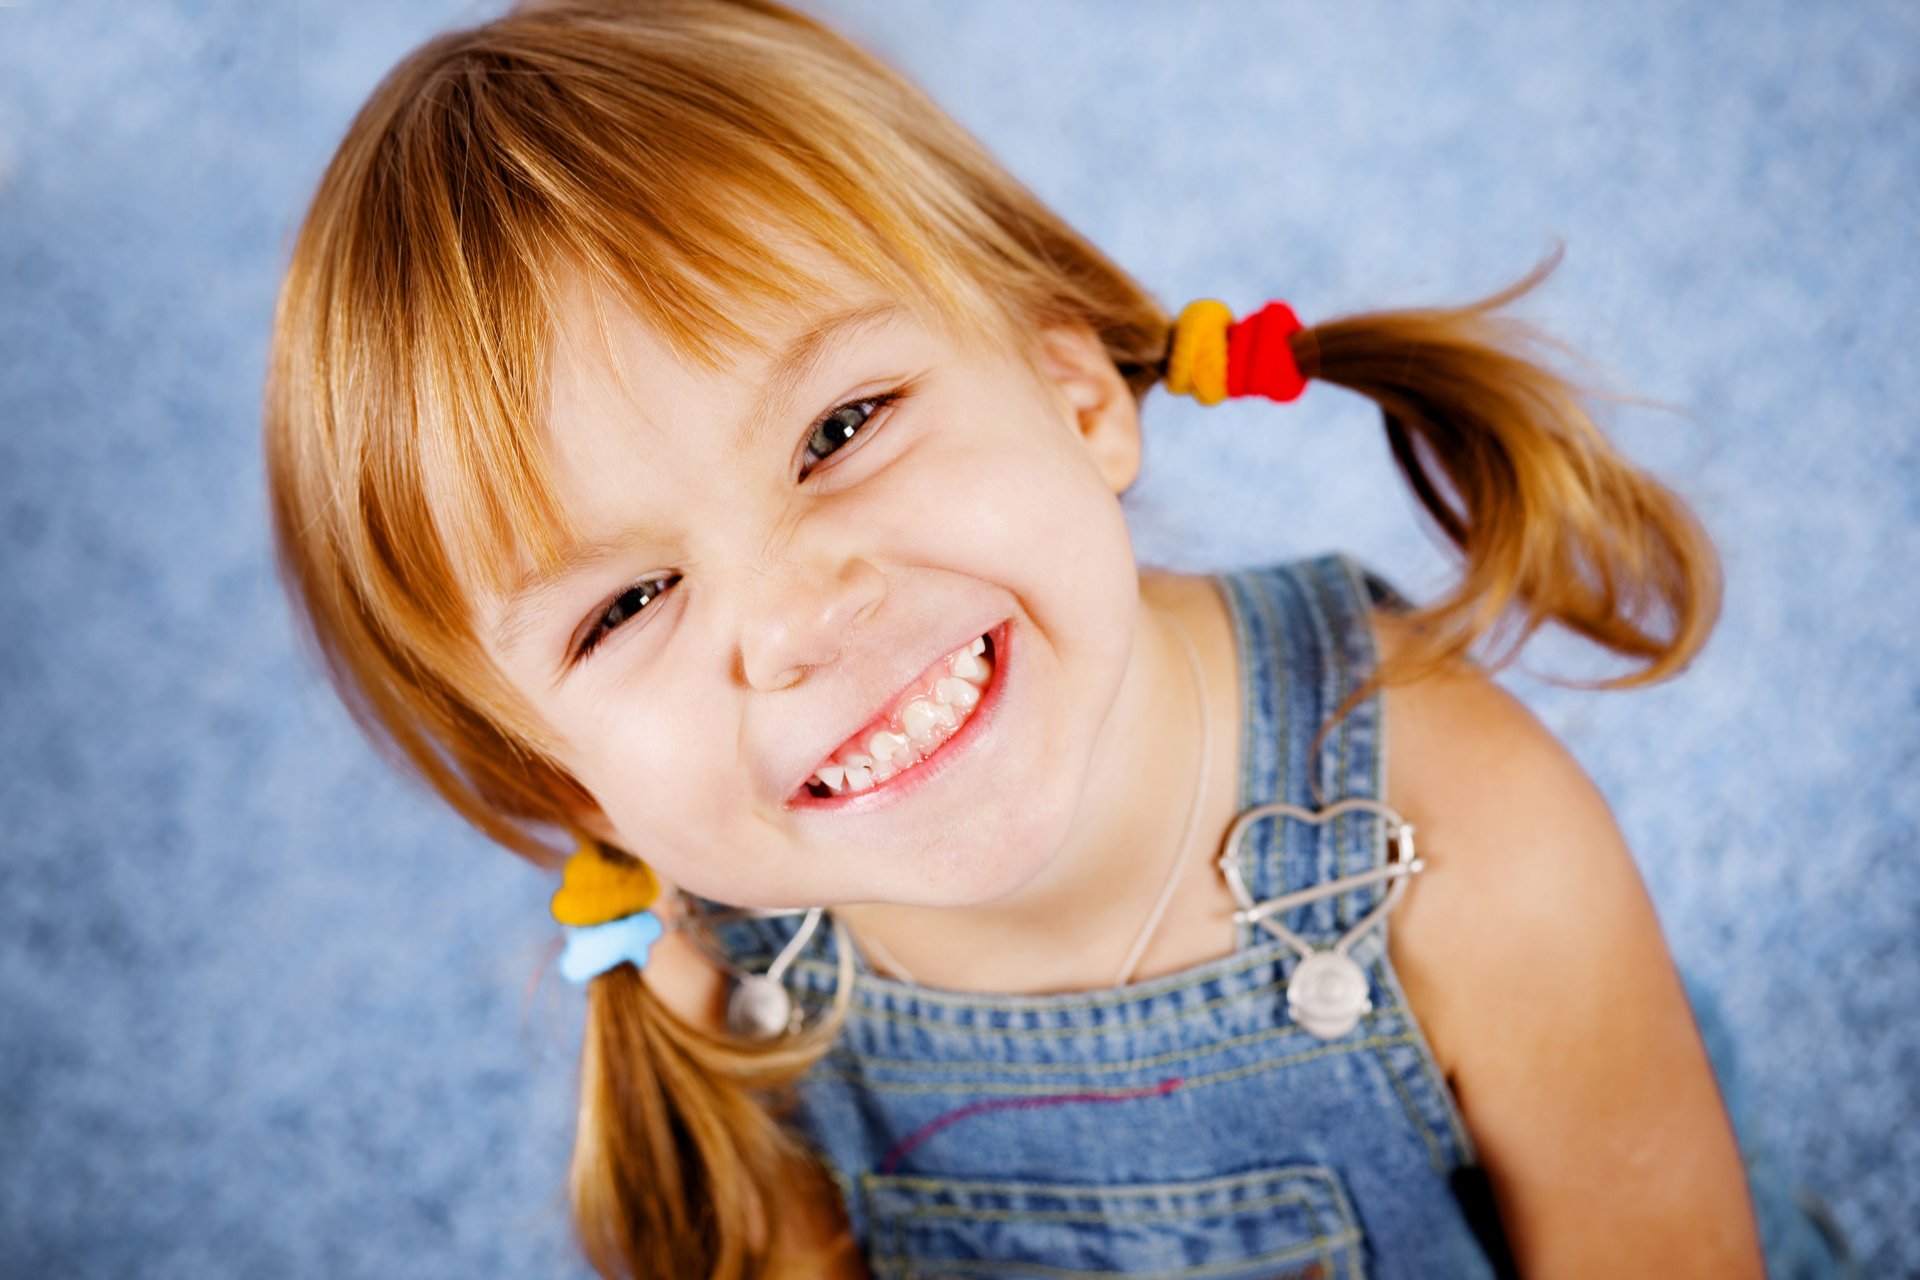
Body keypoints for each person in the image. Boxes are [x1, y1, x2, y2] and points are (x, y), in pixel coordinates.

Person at [261, 1, 1849, 1276]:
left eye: (840, 428)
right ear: (567, 779)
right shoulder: (728, 989)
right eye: (626, 605)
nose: (799, 617)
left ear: (1075, 393)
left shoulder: (1457, 830)